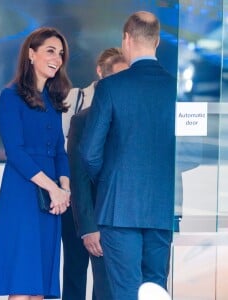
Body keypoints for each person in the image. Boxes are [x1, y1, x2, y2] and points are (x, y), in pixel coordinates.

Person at [79, 11, 177, 300]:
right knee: (155, 289)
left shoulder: (111, 86)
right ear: (157, 41)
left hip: (119, 208)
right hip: (161, 208)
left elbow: (88, 153)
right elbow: (188, 150)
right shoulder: (176, 88)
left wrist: (110, 179)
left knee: (125, 292)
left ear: (126, 39)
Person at [0, 27, 72, 300]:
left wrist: (64, 188)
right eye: (50, 51)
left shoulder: (53, 101)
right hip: (22, 195)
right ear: (31, 54)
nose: (57, 58)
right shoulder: (11, 97)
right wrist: (53, 189)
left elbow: (60, 153)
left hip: (50, 201)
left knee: (39, 286)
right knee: (22, 283)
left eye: (61, 53)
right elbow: (16, 153)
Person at [61, 48, 128, 300]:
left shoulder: (124, 106)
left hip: (104, 205)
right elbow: (65, 148)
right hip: (77, 200)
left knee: (104, 278)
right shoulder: (75, 99)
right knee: (75, 270)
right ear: (101, 72)